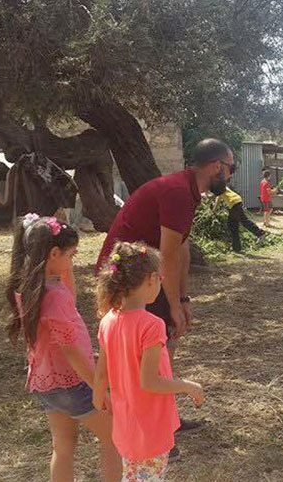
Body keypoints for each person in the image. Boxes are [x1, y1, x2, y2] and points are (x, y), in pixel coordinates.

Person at [95, 138, 232, 438]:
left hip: (146, 272)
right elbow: (168, 255)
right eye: (230, 168)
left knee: (164, 344)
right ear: (217, 167)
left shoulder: (189, 191)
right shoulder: (179, 192)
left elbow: (181, 249)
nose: (231, 175)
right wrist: (171, 306)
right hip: (129, 276)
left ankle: (164, 419)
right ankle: (151, 428)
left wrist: (182, 299)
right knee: (146, 354)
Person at [5, 213, 120, 482]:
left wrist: (62, 261)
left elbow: (69, 290)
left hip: (45, 383)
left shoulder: (32, 289)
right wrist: (98, 388)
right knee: (114, 437)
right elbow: (71, 350)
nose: (73, 261)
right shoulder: (54, 297)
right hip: (72, 382)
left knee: (63, 448)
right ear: (54, 253)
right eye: (71, 255)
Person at [93, 242, 205, 481]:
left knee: (133, 475)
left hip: (125, 423)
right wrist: (187, 386)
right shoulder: (152, 325)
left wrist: (98, 400)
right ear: (153, 279)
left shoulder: (108, 320)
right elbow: (150, 381)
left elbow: (101, 374)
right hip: (150, 424)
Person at [215, 186, 266, 253]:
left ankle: (260, 233)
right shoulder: (221, 185)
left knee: (235, 224)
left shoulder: (217, 187)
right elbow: (218, 197)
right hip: (237, 201)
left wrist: (214, 209)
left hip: (234, 203)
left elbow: (217, 198)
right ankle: (236, 247)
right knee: (236, 223)